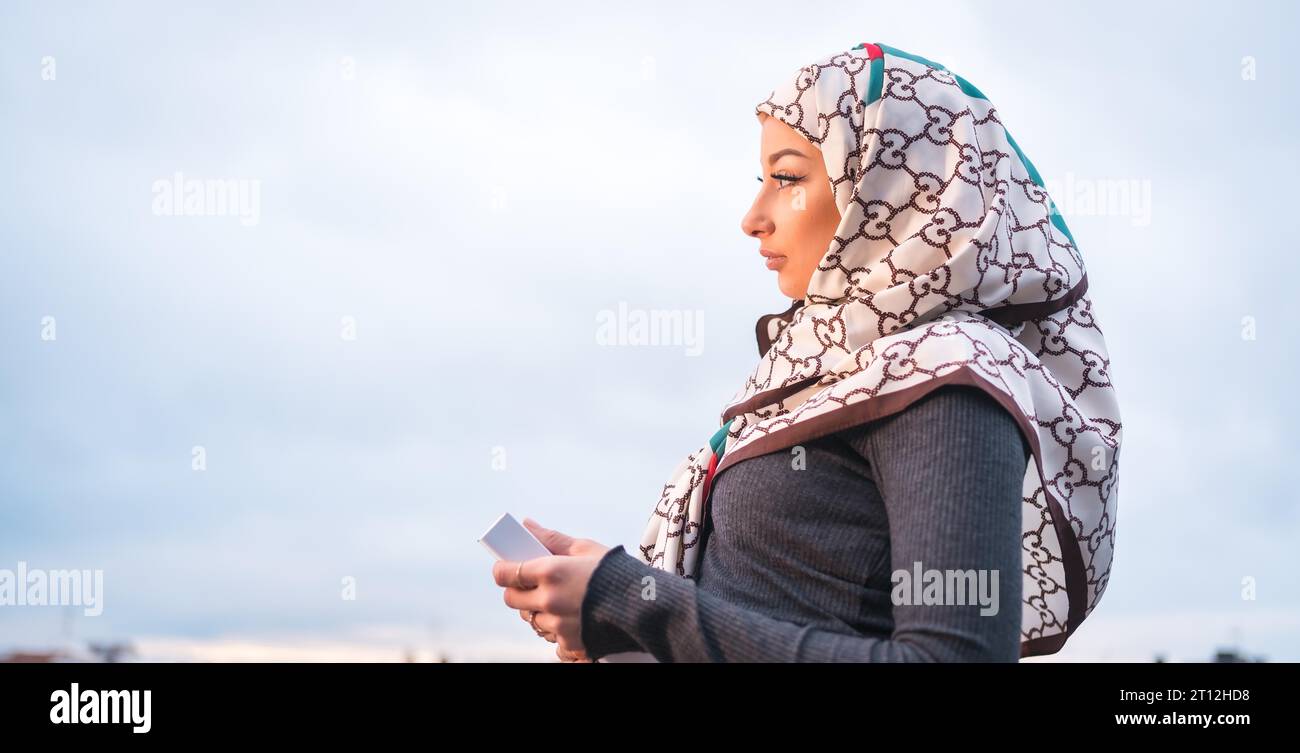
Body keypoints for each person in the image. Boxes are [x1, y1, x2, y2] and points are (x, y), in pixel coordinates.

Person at [491, 42, 1123, 662]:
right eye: (760, 181)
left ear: (892, 186)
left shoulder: (947, 373)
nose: (752, 216)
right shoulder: (824, 376)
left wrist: (636, 601)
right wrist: (617, 626)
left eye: (787, 178)